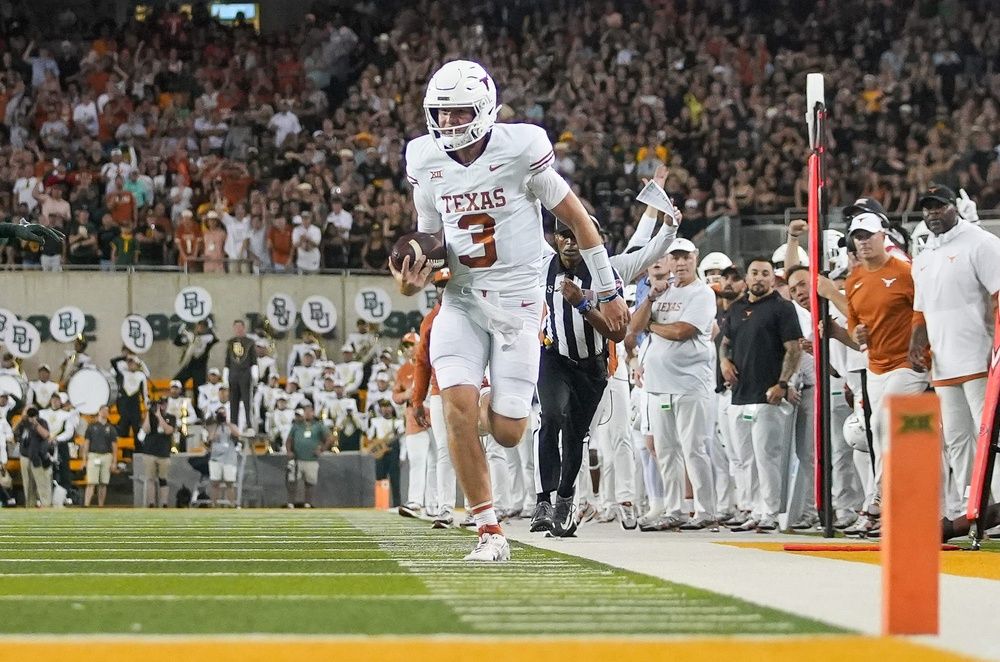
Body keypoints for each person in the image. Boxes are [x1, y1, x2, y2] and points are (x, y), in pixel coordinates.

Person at [391, 60, 628, 562]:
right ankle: (489, 530)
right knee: (453, 404)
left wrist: (607, 290)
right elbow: (432, 242)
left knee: (509, 430)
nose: (449, 124)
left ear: (483, 110)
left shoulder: (521, 147)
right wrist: (415, 284)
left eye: (459, 113)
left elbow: (579, 220)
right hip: (461, 298)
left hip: (519, 304)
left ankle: (483, 407)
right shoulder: (424, 157)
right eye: (442, 114)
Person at [533, 218, 627, 536]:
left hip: (592, 366)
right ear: (555, 239)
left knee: (576, 436)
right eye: (564, 235)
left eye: (577, 236)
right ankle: (543, 500)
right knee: (552, 415)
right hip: (554, 357)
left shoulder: (605, 274)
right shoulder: (544, 266)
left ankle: (565, 500)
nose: (571, 242)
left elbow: (616, 330)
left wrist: (582, 304)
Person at [909, 185, 1000, 512]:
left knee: (989, 436)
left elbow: (998, 296)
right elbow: (921, 310)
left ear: (955, 207)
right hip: (944, 364)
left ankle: (998, 507)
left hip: (981, 357)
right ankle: (971, 506)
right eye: (927, 208)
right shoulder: (922, 256)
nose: (933, 213)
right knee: (959, 440)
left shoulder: (981, 242)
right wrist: (916, 344)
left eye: (939, 206)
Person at [844, 212, 927, 537]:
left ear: (883, 237)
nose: (862, 242)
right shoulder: (854, 279)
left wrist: (920, 344)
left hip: (909, 364)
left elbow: (922, 309)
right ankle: (886, 505)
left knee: (883, 424)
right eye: (858, 237)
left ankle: (877, 502)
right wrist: (857, 332)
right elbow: (853, 322)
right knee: (878, 438)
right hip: (875, 366)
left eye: (868, 235)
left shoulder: (905, 272)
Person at [630, 240, 719, 531]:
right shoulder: (662, 291)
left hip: (689, 384)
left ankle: (705, 510)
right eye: (675, 258)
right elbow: (634, 326)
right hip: (658, 385)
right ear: (668, 261)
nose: (680, 263)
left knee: (694, 448)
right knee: (665, 451)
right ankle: (674, 509)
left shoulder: (702, 293)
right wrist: (651, 300)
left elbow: (683, 331)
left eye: (686, 258)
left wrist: (651, 326)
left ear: (696, 258)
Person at [720, 257, 803, 532]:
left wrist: (782, 383)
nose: (759, 278)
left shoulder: (783, 308)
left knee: (768, 458)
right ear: (747, 278)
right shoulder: (737, 309)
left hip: (768, 395)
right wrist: (724, 361)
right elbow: (726, 342)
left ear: (772, 279)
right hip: (741, 394)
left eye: (764, 274)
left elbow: (794, 348)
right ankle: (753, 507)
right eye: (754, 273)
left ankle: (770, 511)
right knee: (745, 459)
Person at [285, 402, 332, 508]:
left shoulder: (318, 425)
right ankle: (290, 502)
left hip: (311, 459)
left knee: (310, 482)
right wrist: (289, 451)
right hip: (297, 458)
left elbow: (329, 438)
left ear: (313, 412)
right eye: (305, 411)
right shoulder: (297, 425)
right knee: (292, 481)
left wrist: (322, 449)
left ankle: (308, 503)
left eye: (309, 411)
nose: (307, 414)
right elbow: (289, 440)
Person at [139, 398, 176, 507]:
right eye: (160, 404)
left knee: (163, 479)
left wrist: (159, 416)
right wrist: (148, 413)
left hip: (163, 453)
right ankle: (151, 503)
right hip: (150, 452)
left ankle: (164, 503)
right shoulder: (150, 417)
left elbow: (168, 430)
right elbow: (145, 430)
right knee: (150, 478)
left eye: (163, 404)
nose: (162, 406)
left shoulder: (171, 417)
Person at [14, 408, 52, 507]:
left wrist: (36, 423)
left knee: (41, 483)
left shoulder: (42, 422)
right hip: (25, 456)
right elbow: (13, 431)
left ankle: (46, 505)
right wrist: (21, 419)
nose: (30, 416)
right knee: (28, 484)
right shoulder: (23, 423)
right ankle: (30, 505)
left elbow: (46, 435)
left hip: (37, 457)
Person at [81, 404, 117, 507]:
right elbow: (86, 444)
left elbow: (114, 446)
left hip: (106, 455)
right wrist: (84, 459)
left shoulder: (111, 428)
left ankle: (101, 505)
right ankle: (86, 504)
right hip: (94, 455)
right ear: (99, 411)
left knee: (103, 483)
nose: (105, 412)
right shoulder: (92, 427)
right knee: (91, 482)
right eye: (104, 410)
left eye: (107, 410)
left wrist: (114, 461)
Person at [224, 319, 256, 432]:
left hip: (245, 374)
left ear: (244, 328)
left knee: (247, 400)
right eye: (236, 327)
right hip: (233, 374)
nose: (238, 329)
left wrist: (255, 373)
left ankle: (249, 424)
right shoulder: (230, 342)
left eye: (240, 327)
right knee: (233, 401)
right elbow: (227, 360)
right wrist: (225, 374)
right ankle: (234, 425)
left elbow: (253, 360)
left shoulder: (250, 342)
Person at [206, 410, 242, 507]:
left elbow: (237, 433)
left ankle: (231, 504)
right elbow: (210, 438)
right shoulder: (212, 425)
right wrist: (216, 425)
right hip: (215, 458)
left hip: (229, 457)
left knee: (230, 483)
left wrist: (227, 423)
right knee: (215, 483)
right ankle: (214, 504)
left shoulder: (230, 426)